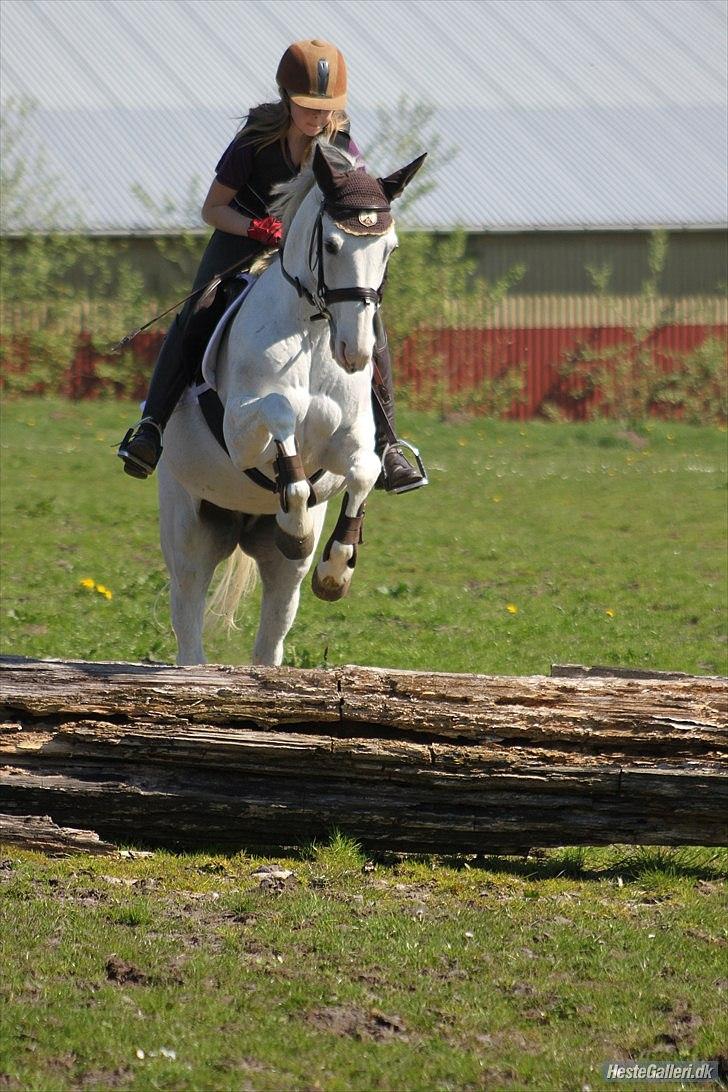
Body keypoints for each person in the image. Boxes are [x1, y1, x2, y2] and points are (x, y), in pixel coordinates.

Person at [118, 38, 425, 493]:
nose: (317, 117)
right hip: (243, 239)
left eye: (326, 108)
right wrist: (256, 228)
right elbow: (213, 209)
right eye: (307, 106)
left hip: (308, 254)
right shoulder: (254, 141)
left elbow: (352, 204)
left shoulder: (342, 144)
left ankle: (389, 444)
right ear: (287, 97)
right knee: (198, 309)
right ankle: (151, 427)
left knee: (369, 320)